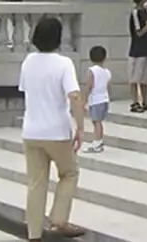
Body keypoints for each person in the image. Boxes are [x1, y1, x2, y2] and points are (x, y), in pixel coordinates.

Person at [18, 16, 87, 240]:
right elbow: (74, 96)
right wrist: (80, 127)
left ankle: (34, 233)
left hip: (31, 129)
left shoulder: (28, 61)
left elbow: (25, 90)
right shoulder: (63, 63)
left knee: (36, 184)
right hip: (56, 130)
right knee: (69, 172)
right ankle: (59, 218)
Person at [83, 45, 111, 154]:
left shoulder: (91, 71)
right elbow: (108, 86)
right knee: (98, 122)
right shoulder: (107, 72)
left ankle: (97, 142)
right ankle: (99, 140)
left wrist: (84, 98)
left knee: (96, 122)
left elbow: (89, 85)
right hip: (104, 99)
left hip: (95, 99)